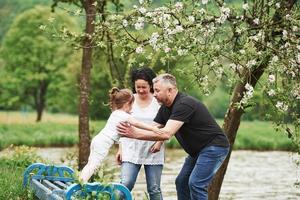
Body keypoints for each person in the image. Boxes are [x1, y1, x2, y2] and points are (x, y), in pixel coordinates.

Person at [117, 73, 230, 200]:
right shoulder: (165, 108)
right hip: (197, 151)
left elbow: (166, 133)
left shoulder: (184, 104)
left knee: (196, 183)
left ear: (170, 90)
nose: (154, 94)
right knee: (181, 182)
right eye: (154, 90)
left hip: (214, 147)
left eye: (157, 91)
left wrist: (136, 134)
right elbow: (153, 127)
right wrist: (128, 131)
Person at [79, 87, 162, 183]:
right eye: (132, 105)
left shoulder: (116, 113)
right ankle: (81, 184)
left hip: (97, 140)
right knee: (94, 165)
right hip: (103, 143)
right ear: (128, 104)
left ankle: (80, 180)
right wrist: (153, 128)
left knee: (91, 163)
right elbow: (137, 124)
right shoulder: (124, 116)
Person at [116, 67, 164, 200]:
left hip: (153, 149)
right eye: (138, 87)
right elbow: (122, 124)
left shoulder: (158, 101)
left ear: (151, 85)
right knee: (125, 184)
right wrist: (120, 148)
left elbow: (166, 124)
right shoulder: (129, 100)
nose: (141, 90)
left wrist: (159, 142)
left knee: (154, 189)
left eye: (144, 87)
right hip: (131, 148)